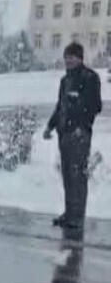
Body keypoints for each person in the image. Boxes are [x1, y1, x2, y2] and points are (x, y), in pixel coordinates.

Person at [44, 42, 101, 240]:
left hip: (79, 134)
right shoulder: (64, 80)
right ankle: (69, 212)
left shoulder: (90, 78)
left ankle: (77, 217)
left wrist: (80, 122)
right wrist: (50, 126)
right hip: (64, 133)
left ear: (80, 58)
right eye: (66, 57)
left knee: (78, 175)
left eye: (72, 57)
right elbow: (60, 106)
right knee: (68, 174)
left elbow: (96, 105)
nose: (68, 60)